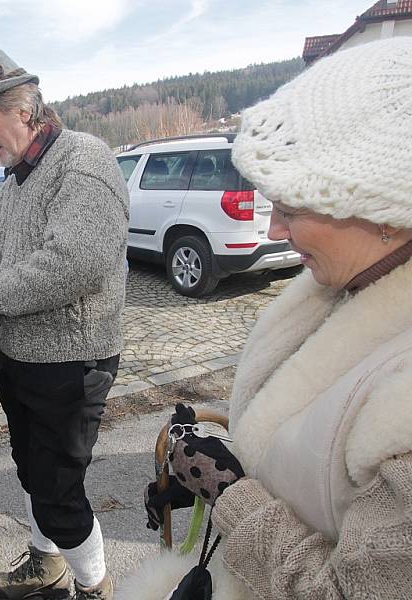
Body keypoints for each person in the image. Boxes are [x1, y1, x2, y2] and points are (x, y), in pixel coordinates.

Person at [120, 36, 412, 600]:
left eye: (292, 207)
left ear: (385, 214)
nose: (275, 231)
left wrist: (232, 495)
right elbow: (324, 425)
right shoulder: (345, 286)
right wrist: (224, 443)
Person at [0, 45, 129, 600]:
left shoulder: (82, 158)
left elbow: (79, 261)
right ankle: (46, 566)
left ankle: (94, 586)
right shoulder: (18, 179)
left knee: (58, 490)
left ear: (21, 107)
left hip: (71, 362)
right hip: (20, 359)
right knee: (33, 471)